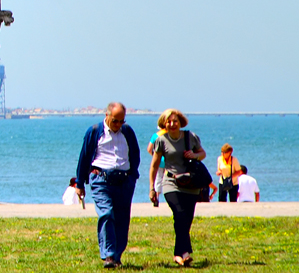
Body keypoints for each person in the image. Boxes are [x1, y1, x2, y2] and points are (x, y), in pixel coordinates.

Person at [74, 102, 141, 269]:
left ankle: (117, 255)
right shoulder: (95, 131)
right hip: (101, 179)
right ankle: (108, 255)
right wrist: (80, 182)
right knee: (107, 213)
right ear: (107, 116)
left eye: (121, 121)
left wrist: (132, 176)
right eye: (115, 121)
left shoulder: (127, 132)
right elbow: (84, 157)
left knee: (122, 219)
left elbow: (135, 154)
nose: (118, 125)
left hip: (124, 181)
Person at [147, 109, 205, 267]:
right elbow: (154, 165)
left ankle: (178, 255)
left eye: (175, 121)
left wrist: (195, 156)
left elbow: (202, 153)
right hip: (170, 183)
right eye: (168, 121)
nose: (172, 124)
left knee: (186, 219)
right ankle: (185, 253)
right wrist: (152, 188)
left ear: (180, 122)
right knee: (179, 215)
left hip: (190, 184)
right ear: (164, 124)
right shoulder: (161, 140)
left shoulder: (190, 136)